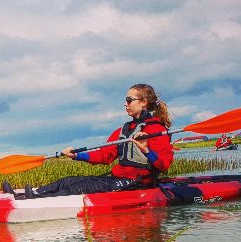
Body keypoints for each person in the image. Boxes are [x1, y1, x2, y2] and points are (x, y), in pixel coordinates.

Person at [18, 83, 174, 198]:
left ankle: (36, 199)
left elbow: (164, 164)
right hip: (117, 178)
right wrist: (77, 156)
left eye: (129, 100)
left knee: (81, 187)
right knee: (68, 181)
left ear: (143, 102)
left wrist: (146, 150)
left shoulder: (155, 130)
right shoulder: (122, 130)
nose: (125, 104)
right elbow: (103, 156)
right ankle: (33, 193)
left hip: (138, 182)